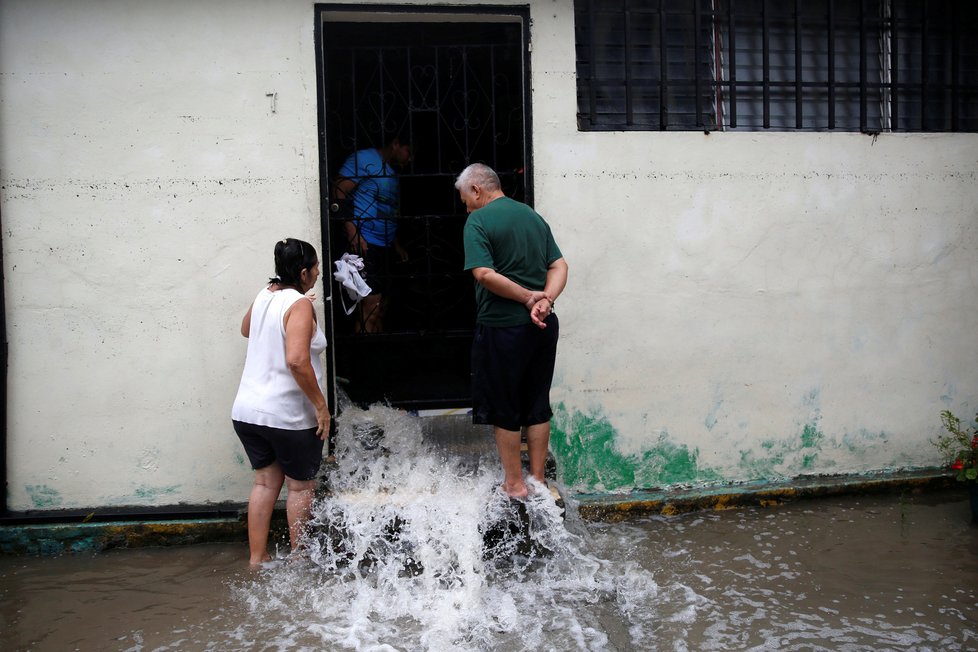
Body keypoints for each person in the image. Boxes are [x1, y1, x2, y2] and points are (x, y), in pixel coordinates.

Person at [457, 163, 568, 499]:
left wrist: (527, 297)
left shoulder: (477, 220)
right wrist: (545, 300)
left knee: (505, 407)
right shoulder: (532, 216)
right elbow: (559, 265)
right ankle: (537, 480)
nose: (465, 206)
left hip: (503, 327)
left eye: (464, 199)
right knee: (537, 403)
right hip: (543, 325)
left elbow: (484, 274)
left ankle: (514, 484)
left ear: (476, 190)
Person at [231, 238, 331, 566]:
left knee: (265, 481)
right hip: (287, 414)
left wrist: (293, 302)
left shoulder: (267, 293)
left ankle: (256, 560)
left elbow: (248, 328)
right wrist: (320, 405)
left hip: (248, 411)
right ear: (303, 273)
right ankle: (299, 560)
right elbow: (298, 361)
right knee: (300, 488)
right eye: (315, 267)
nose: (318, 272)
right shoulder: (299, 305)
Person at [333, 135, 412, 333]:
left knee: (382, 305)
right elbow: (338, 190)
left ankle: (377, 356)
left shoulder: (392, 171)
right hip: (364, 243)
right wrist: (353, 233)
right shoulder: (364, 159)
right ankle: (363, 358)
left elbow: (387, 210)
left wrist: (396, 245)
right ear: (395, 144)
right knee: (371, 306)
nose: (410, 159)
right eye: (409, 152)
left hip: (385, 246)